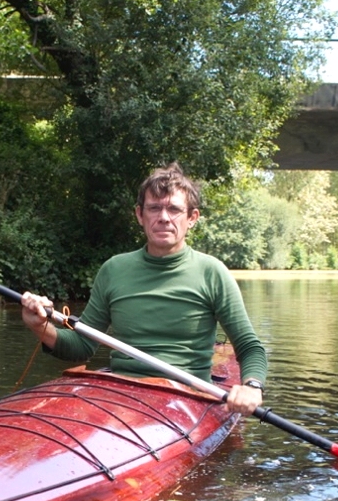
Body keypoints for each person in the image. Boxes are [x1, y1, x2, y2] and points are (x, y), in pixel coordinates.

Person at [20, 162, 267, 415]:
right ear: (140, 214)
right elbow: (82, 346)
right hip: (121, 392)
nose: (164, 217)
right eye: (154, 208)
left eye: (174, 209)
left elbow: (249, 347)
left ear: (192, 218)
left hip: (185, 396)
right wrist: (40, 325)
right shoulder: (114, 269)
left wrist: (252, 386)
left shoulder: (212, 272)